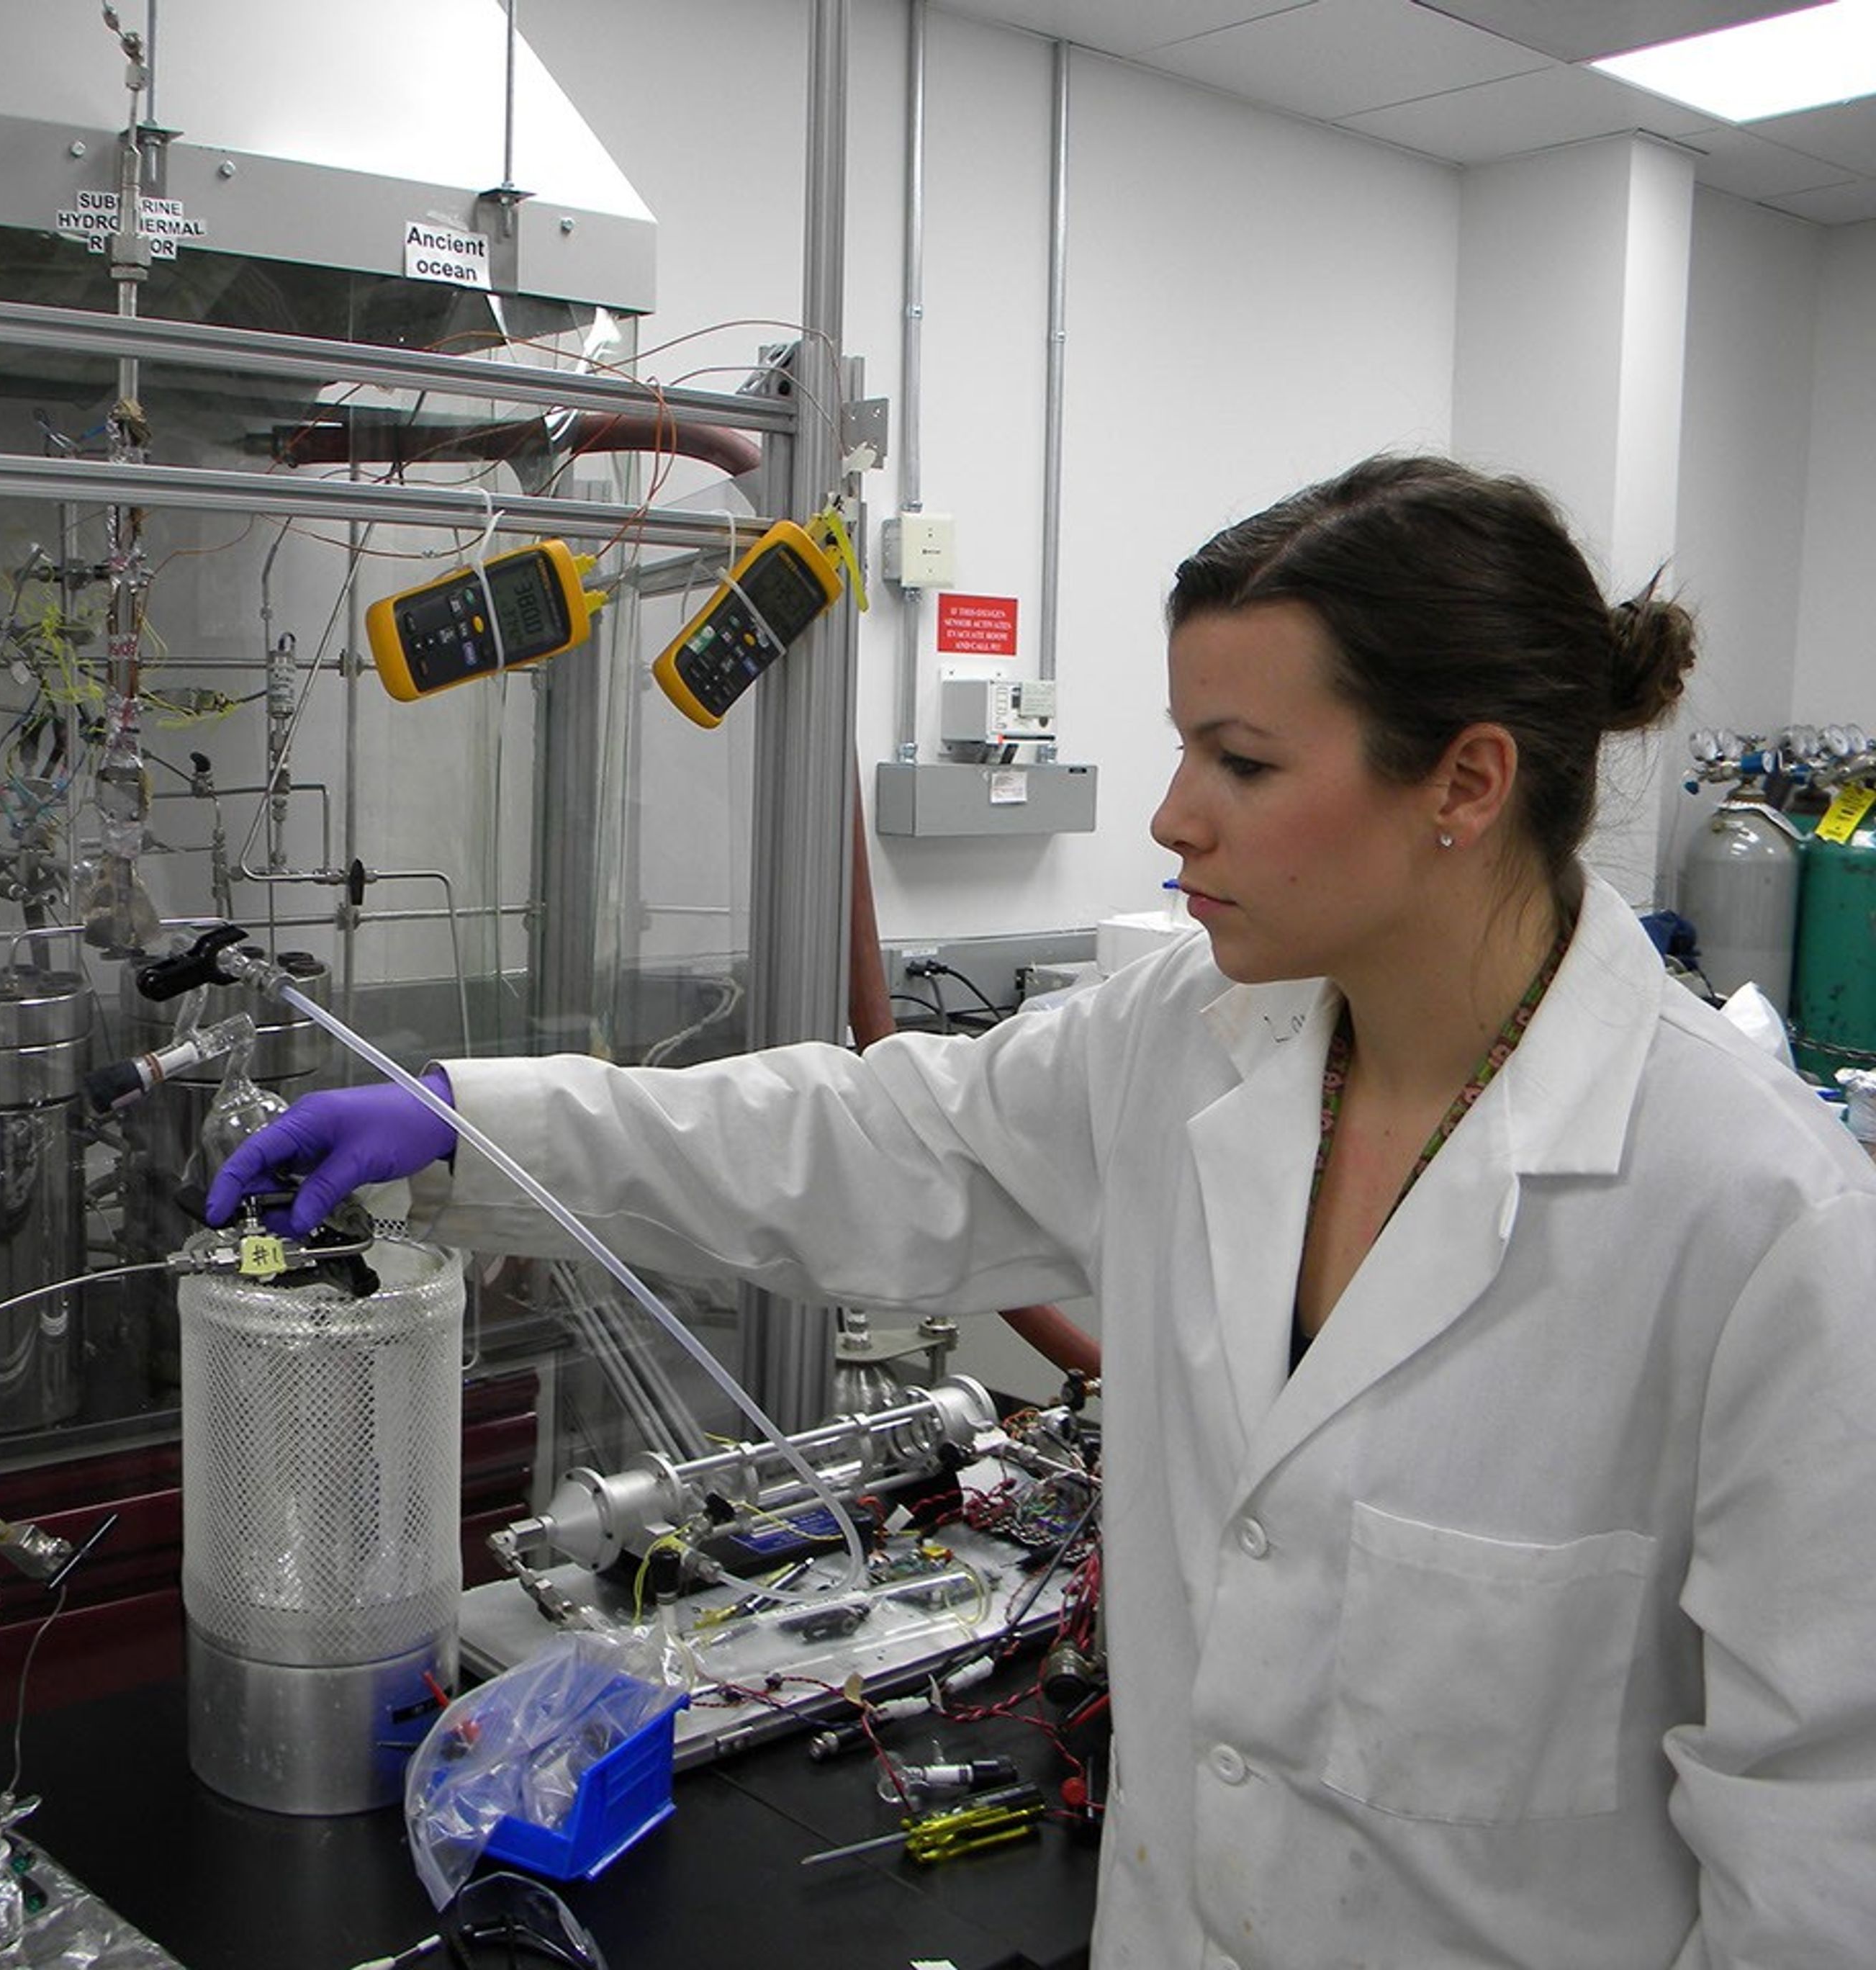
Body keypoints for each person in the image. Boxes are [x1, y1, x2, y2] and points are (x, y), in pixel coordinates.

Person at [207, 455, 1876, 1968]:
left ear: (1467, 781)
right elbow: (860, 1140)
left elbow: (1816, 1869)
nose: (1170, 814)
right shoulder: (1192, 1042)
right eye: (1184, 744)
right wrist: (468, 1128)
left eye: (1241, 759)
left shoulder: (1763, 1231)